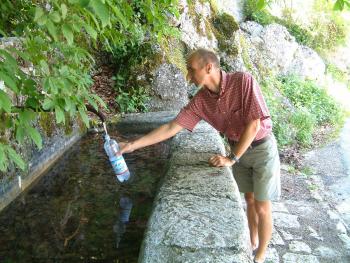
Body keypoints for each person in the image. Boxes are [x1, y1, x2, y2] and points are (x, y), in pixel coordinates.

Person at [119, 48, 281, 263]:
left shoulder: (243, 81)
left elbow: (254, 124)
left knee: (262, 205)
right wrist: (131, 145)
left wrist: (231, 158)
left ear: (209, 67)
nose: (188, 75)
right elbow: (171, 127)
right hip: (238, 148)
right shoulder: (201, 101)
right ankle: (251, 242)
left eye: (191, 69)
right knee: (249, 199)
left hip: (261, 148)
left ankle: (260, 256)